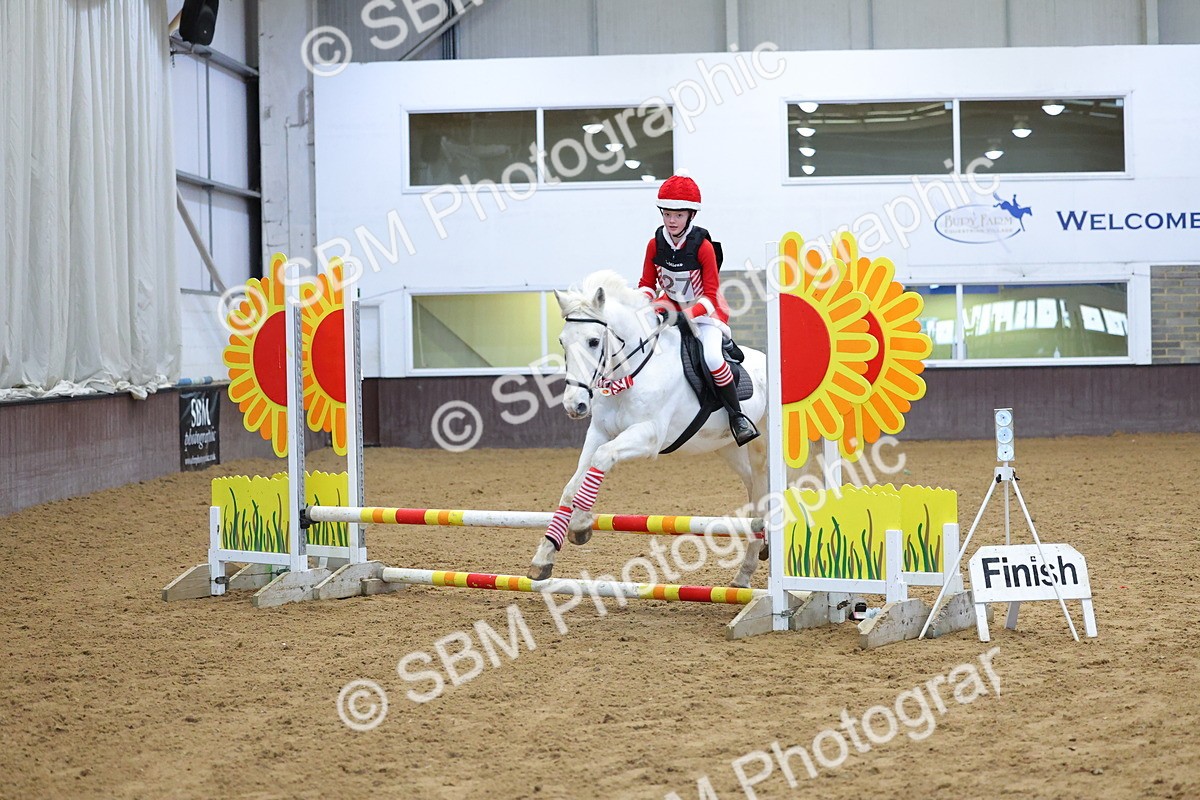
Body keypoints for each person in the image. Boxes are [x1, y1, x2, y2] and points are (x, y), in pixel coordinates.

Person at [638, 175, 759, 446]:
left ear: (690, 215)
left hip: (705, 313)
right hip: (668, 310)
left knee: (714, 358)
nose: (671, 221)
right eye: (667, 214)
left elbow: (712, 294)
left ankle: (737, 416)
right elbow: (646, 284)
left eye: (678, 215)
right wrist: (644, 304)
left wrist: (686, 316)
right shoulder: (654, 244)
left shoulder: (703, 247)